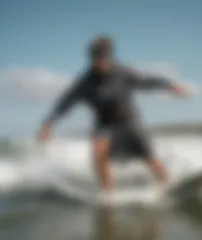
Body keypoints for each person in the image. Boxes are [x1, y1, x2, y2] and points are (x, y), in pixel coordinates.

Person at [37, 35, 192, 194]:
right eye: (97, 58)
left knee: (148, 156)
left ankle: (168, 185)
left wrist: (169, 85)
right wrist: (49, 123)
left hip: (128, 120)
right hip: (104, 123)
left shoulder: (122, 72)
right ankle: (107, 193)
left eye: (105, 58)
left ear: (110, 56)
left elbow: (146, 81)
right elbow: (66, 102)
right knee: (98, 150)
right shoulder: (86, 82)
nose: (102, 62)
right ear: (92, 59)